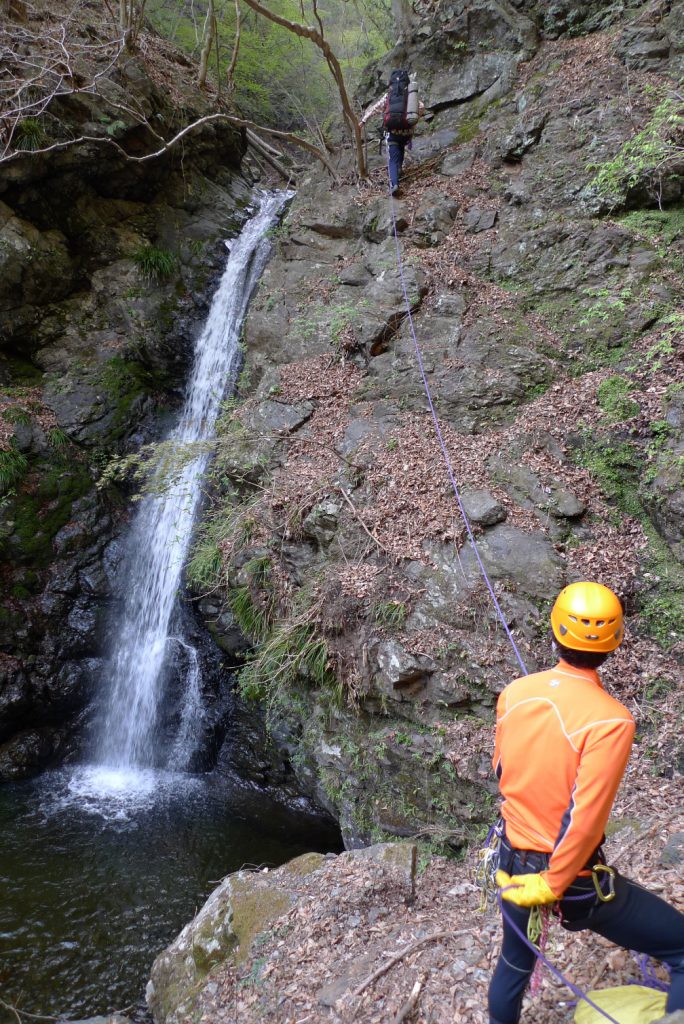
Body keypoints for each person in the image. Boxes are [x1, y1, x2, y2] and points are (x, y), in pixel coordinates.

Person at [489, 580, 684, 1024]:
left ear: (555, 630)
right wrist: (554, 883)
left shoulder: (514, 693)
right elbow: (584, 817)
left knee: (514, 965)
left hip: (511, 858)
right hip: (568, 875)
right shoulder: (612, 720)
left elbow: (502, 769)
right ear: (615, 643)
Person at [359, 69, 425, 197]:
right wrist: (414, 119)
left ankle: (394, 184)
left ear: (392, 83)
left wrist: (363, 120)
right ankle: (399, 169)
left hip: (392, 132)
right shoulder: (410, 95)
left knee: (392, 158)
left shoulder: (388, 95)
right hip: (406, 132)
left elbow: (375, 108)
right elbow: (421, 106)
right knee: (401, 147)